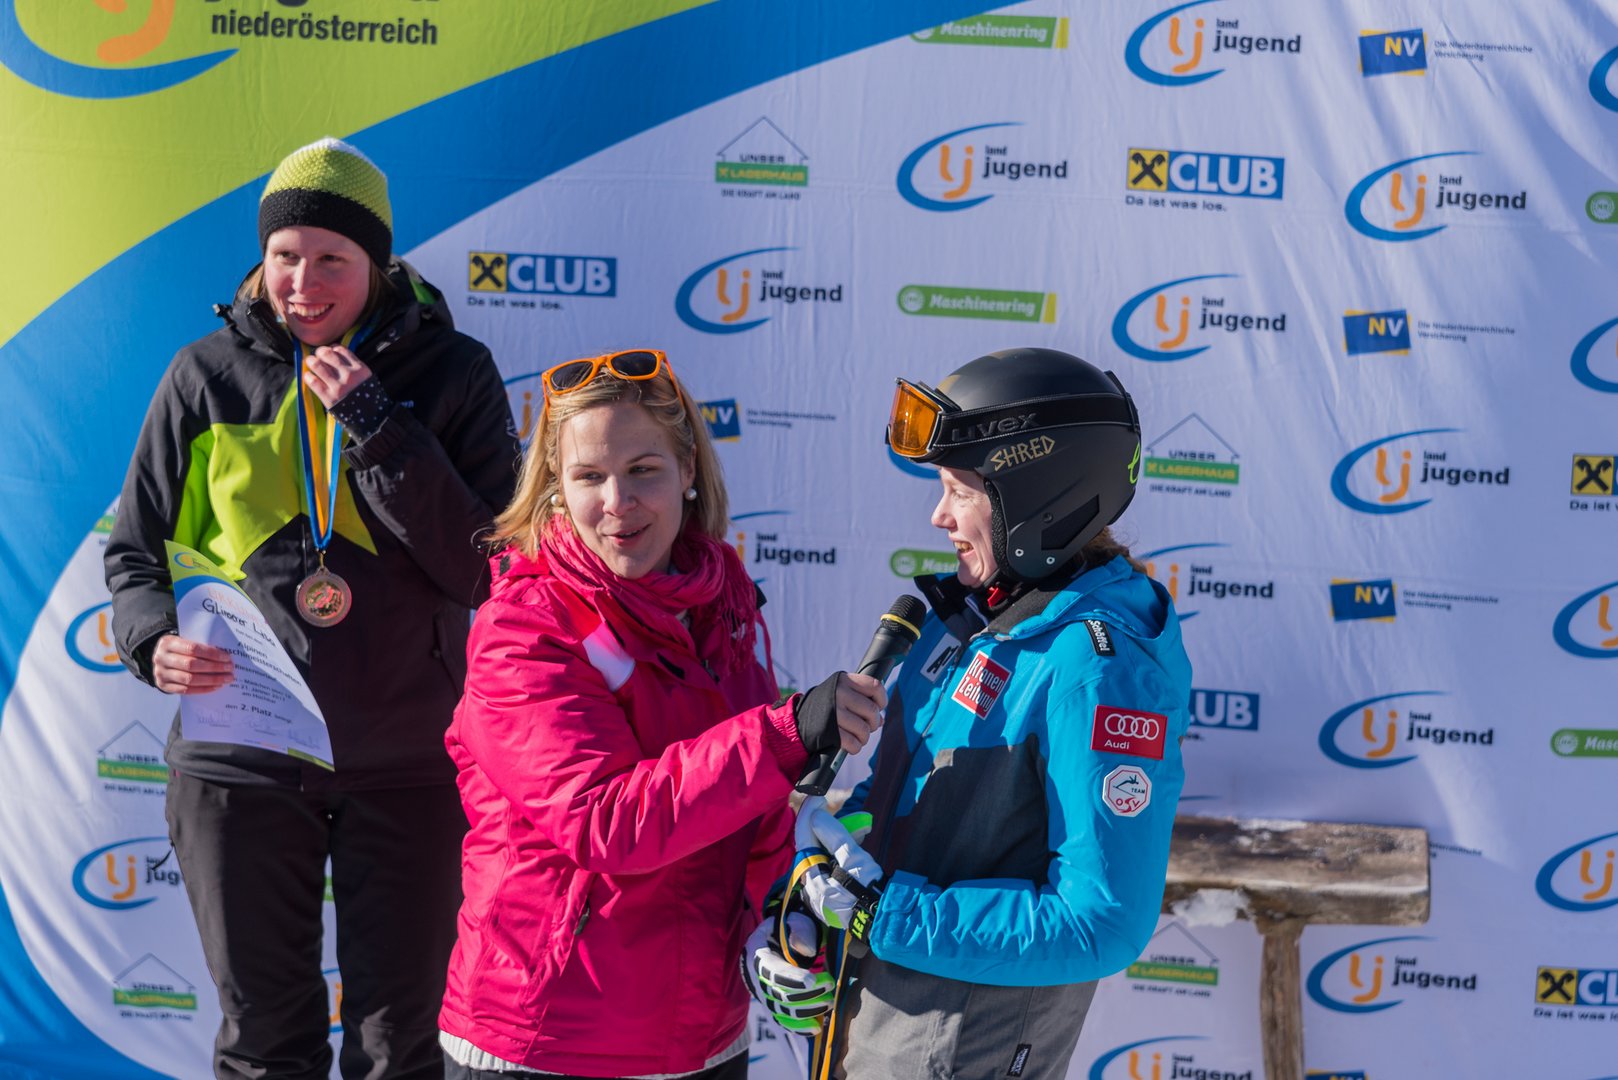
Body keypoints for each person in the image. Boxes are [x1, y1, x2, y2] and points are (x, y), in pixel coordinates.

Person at [104, 137, 522, 1079]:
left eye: (333, 257)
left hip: (409, 761)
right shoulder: (203, 376)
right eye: (285, 255)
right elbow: (135, 553)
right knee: (264, 1043)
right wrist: (152, 639)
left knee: (400, 1048)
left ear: (378, 264)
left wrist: (378, 426)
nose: (304, 281)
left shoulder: (453, 372)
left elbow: (488, 573)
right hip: (240, 761)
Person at [436, 348, 885, 1080]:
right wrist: (784, 731)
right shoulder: (523, 627)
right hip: (550, 1041)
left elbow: (745, 807)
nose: (617, 501)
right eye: (588, 476)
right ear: (555, 487)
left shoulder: (720, 602)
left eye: (643, 470)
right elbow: (604, 821)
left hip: (705, 1033)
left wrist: (773, 917)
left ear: (688, 471)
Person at [746, 347, 1193, 1080]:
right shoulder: (969, 622)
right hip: (871, 1033)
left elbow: (1100, 922)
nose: (940, 515)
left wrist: (881, 913)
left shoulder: (1099, 667)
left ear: (1040, 496)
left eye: (960, 490)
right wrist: (798, 909)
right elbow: (885, 810)